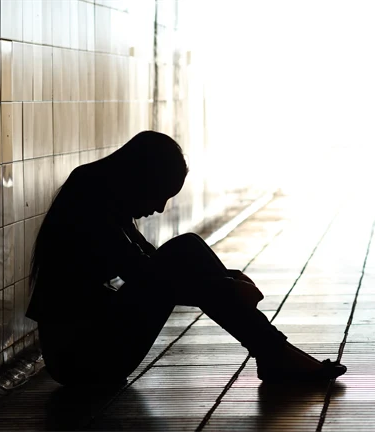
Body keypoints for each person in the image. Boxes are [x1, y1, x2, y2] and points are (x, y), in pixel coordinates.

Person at [26, 130, 346, 388]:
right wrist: (227, 288)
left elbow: (150, 263)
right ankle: (275, 353)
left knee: (187, 248)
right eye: (161, 193)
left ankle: (274, 353)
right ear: (140, 177)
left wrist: (228, 280)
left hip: (86, 349)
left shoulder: (100, 190)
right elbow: (147, 276)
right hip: (81, 360)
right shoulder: (90, 200)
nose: (161, 208)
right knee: (185, 250)